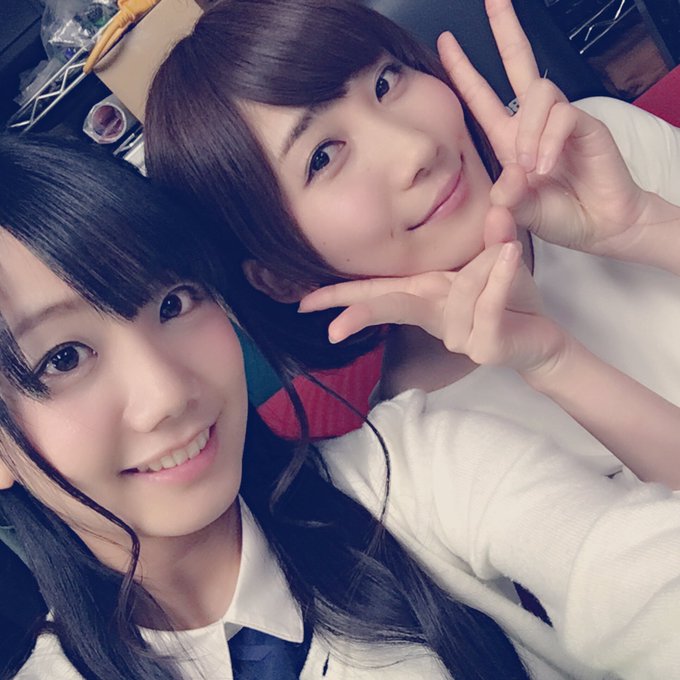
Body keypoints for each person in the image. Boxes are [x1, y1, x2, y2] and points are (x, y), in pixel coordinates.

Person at [2, 136, 680, 679]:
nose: (167, 394)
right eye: (62, 358)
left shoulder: (409, 471)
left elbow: (644, 581)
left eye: (174, 302)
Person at [144, 0, 680, 481]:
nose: (417, 149)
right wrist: (554, 364)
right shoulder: (424, 457)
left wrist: (647, 230)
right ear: (282, 277)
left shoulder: (603, 157)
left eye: (385, 82)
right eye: (323, 157)